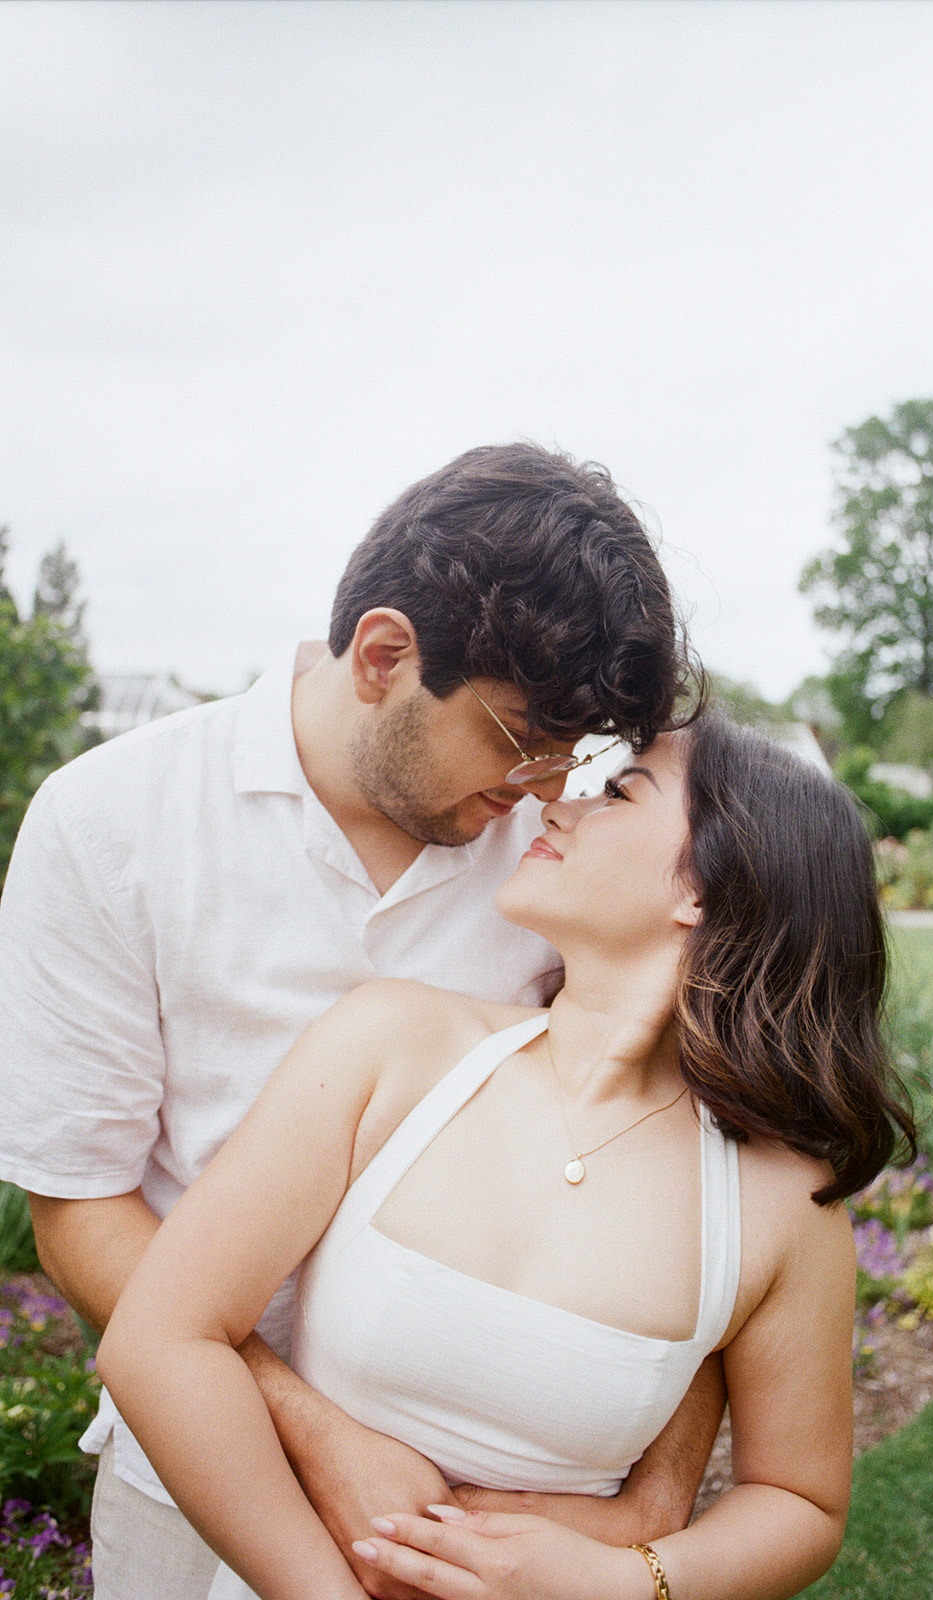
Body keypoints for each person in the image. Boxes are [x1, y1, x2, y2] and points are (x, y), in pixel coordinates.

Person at [0, 442, 707, 1600]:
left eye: (567, 758)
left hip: (496, 1509)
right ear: (383, 655)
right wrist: (317, 1435)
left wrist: (658, 1491)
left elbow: (701, 1164)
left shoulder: (560, 864)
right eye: (521, 739)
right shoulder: (108, 823)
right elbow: (80, 1210)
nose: (540, 790)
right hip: (189, 1486)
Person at [98, 712, 917, 1600]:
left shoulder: (781, 1210)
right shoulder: (394, 1046)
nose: (553, 809)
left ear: (706, 889)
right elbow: (157, 1340)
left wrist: (623, 1580)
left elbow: (797, 1502)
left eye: (616, 792)